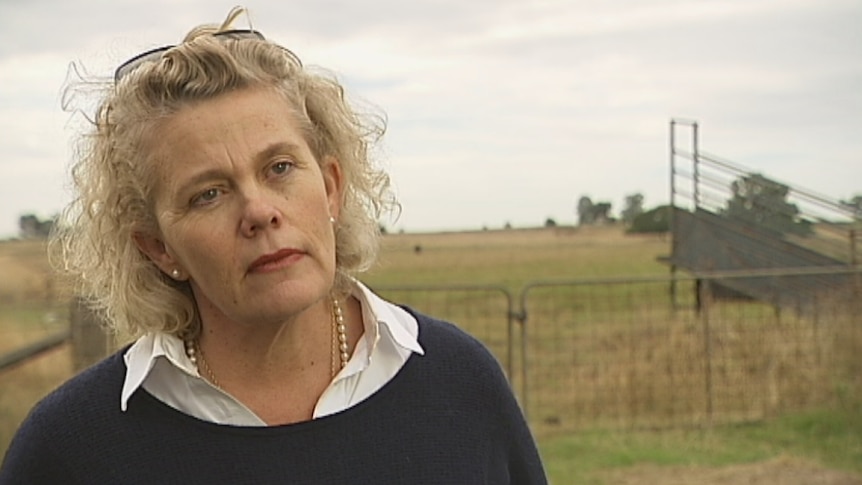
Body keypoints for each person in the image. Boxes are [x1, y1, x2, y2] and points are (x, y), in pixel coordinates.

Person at [0, 7, 547, 484]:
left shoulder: (458, 382)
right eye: (208, 194)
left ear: (332, 186)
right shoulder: (73, 450)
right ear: (157, 248)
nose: (260, 211)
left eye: (280, 167)